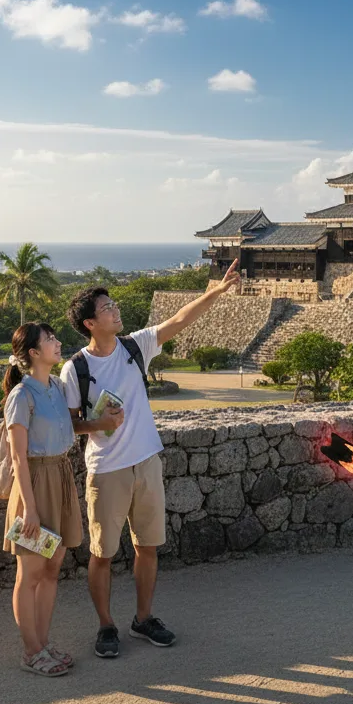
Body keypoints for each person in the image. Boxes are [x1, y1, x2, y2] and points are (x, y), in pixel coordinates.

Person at [61, 259, 241, 659]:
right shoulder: (75, 369)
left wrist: (217, 290)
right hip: (106, 469)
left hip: (147, 461)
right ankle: (106, 626)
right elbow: (70, 425)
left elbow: (179, 319)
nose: (115, 310)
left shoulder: (133, 347)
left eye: (112, 305)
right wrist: (100, 423)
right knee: (102, 553)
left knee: (147, 547)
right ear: (90, 323)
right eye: (107, 308)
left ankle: (143, 619)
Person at [0, 322, 119, 676]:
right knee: (31, 572)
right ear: (33, 353)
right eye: (49, 340)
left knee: (52, 569)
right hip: (34, 482)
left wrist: (101, 424)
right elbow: (19, 457)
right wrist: (30, 509)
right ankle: (31, 650)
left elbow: (69, 429)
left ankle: (43, 642)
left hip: (61, 476)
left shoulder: (55, 387)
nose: (57, 343)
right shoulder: (21, 396)